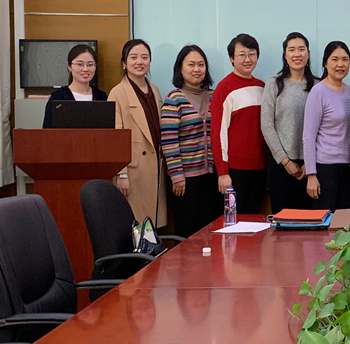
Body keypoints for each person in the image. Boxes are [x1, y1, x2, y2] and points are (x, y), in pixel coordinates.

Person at [160, 45, 219, 238]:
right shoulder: (174, 99)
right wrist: (177, 175)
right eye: (191, 64)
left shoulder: (214, 96)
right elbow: (168, 141)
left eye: (201, 65)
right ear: (180, 68)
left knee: (211, 232)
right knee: (187, 232)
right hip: (185, 179)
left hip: (211, 176)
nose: (197, 69)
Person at [108, 39, 166, 227]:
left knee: (153, 224)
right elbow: (115, 137)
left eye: (144, 57)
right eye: (133, 57)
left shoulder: (154, 90)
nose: (139, 62)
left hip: (156, 166)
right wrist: (121, 174)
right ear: (124, 63)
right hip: (133, 170)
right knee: (136, 225)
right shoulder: (117, 93)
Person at [211, 33, 267, 215]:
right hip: (234, 170)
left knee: (254, 220)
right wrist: (222, 172)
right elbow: (218, 133)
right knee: (232, 221)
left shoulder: (262, 87)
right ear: (231, 58)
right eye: (242, 55)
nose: (247, 59)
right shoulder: (224, 88)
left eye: (252, 54)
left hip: (259, 168)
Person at [261, 32, 316, 214]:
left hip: (309, 167)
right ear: (285, 55)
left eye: (301, 49)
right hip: (280, 164)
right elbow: (266, 125)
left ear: (308, 53)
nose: (297, 54)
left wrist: (310, 163)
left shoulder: (317, 86)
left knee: (306, 221)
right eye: (291, 50)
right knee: (282, 220)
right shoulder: (274, 83)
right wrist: (285, 161)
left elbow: (322, 128)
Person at [302, 41, 350, 211]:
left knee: (344, 221)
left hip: (348, 167)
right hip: (324, 168)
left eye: (345, 59)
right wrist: (311, 175)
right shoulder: (318, 92)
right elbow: (308, 136)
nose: (340, 64)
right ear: (325, 63)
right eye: (335, 59)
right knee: (324, 221)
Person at [43, 44, 107, 128]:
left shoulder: (101, 97)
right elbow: (47, 132)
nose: (85, 69)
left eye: (90, 64)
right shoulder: (57, 98)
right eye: (80, 64)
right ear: (69, 66)